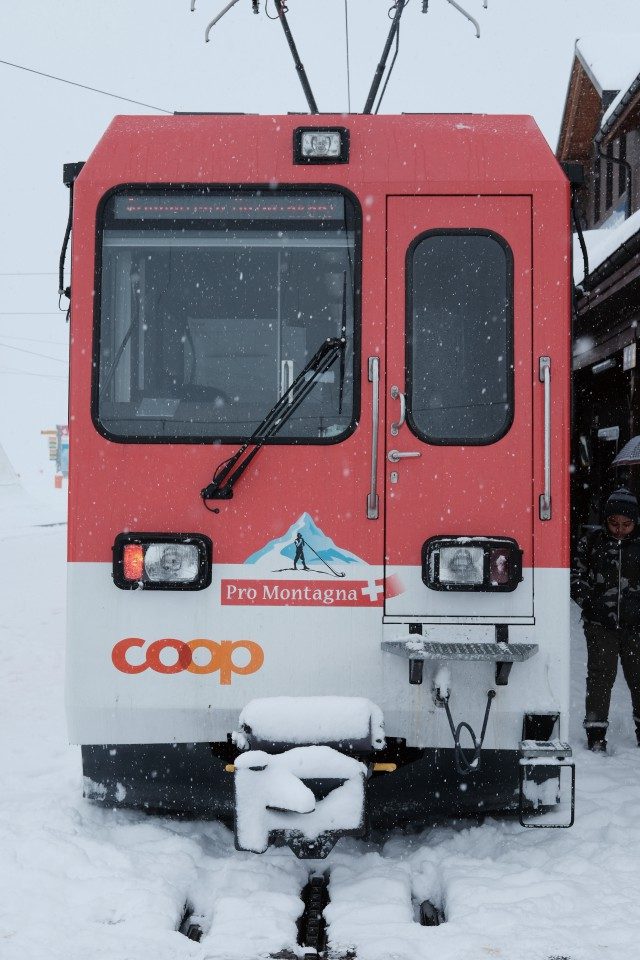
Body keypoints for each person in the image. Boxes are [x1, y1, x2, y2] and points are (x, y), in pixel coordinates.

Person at [571, 488, 640, 752]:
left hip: (637, 627)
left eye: (626, 524)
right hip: (600, 626)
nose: (620, 530)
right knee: (600, 677)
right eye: (614, 523)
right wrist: (590, 603)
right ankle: (596, 733)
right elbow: (576, 577)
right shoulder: (591, 543)